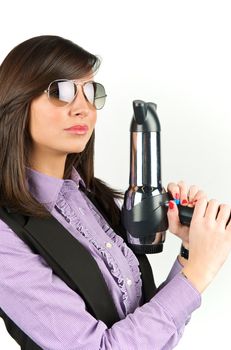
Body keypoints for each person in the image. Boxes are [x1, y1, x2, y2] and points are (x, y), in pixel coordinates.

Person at [0, 35, 230, 350]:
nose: (83, 108)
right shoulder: (4, 234)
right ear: (17, 100)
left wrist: (191, 252)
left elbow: (150, 333)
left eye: (90, 92)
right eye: (62, 91)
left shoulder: (91, 199)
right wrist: (199, 273)